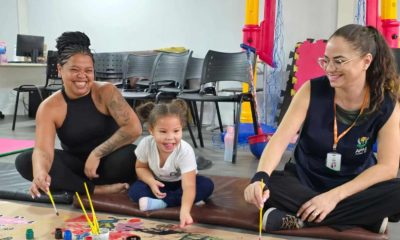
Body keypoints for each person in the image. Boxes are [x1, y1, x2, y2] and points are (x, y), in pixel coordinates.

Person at [244, 24, 400, 234]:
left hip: (353, 186)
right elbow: (279, 140)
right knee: (269, 186)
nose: (329, 68)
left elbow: (388, 167)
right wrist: (260, 177)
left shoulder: (387, 103)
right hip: (305, 179)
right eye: (325, 60)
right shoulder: (311, 90)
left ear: (366, 61)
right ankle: (364, 219)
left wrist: (333, 197)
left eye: (339, 61)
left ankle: (302, 219)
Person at [15, 31, 142, 197]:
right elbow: (43, 151)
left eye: (88, 70)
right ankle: (94, 190)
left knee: (131, 155)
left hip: (109, 162)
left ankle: (76, 186)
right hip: (76, 168)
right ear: (60, 69)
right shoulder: (49, 107)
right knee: (25, 161)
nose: (82, 76)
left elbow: (134, 129)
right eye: (74, 70)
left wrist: (97, 153)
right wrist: (40, 172)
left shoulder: (106, 91)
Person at [128, 99, 214, 228]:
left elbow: (189, 186)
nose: (170, 137)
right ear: (151, 130)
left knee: (206, 185)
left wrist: (184, 211)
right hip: (159, 184)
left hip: (182, 184)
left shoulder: (185, 151)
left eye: (176, 131)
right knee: (134, 190)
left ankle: (163, 203)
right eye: (163, 131)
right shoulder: (146, 143)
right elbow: (140, 167)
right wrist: (151, 182)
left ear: (181, 129)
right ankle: (184, 200)